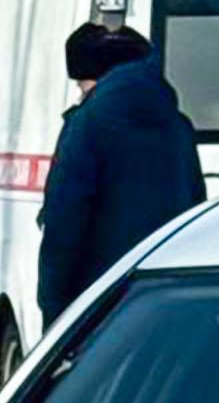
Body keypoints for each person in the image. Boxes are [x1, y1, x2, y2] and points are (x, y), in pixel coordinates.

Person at [37, 24, 206, 325]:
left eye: (81, 85)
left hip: (98, 299)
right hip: (167, 293)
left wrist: (54, 307)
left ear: (96, 78)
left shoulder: (87, 125)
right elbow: (196, 205)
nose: (80, 95)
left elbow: (65, 220)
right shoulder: (178, 126)